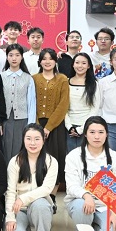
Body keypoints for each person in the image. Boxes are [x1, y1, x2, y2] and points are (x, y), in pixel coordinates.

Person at [64, 116, 116, 231]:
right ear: (85, 134)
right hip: (80, 202)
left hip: (105, 206)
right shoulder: (73, 156)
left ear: (107, 134)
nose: (96, 136)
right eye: (92, 132)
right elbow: (71, 186)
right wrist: (86, 196)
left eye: (101, 132)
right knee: (82, 207)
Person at [3, 123, 58, 231]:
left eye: (37, 139)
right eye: (28, 138)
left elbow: (47, 189)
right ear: (23, 140)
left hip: (39, 206)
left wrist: (23, 198)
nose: (33, 143)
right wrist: (10, 218)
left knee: (41, 206)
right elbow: (10, 191)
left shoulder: (51, 161)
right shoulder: (15, 161)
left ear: (43, 140)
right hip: (19, 209)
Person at [33, 48, 69, 211]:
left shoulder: (62, 79)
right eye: (44, 58)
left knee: (55, 160)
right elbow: (31, 102)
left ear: (55, 61)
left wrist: (48, 127)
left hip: (56, 125)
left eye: (51, 58)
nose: (47, 62)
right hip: (36, 126)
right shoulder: (34, 78)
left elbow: (63, 105)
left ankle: (52, 197)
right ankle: (38, 196)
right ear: (40, 61)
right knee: (37, 161)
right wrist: (37, 127)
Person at [1, 44, 36, 163]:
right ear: (7, 57)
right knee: (5, 149)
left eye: (17, 55)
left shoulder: (28, 78)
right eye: (11, 55)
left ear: (22, 57)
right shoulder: (1, 77)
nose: (14, 58)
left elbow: (31, 103)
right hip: (5, 120)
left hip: (22, 120)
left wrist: (30, 125)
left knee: (20, 150)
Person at [65, 53, 99, 152]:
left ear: (88, 66)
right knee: (70, 157)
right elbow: (63, 107)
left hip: (87, 127)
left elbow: (95, 108)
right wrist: (69, 127)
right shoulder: (66, 82)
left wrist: (81, 129)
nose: (80, 66)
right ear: (73, 65)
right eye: (77, 63)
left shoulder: (94, 84)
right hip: (68, 128)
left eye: (84, 63)